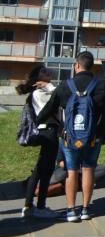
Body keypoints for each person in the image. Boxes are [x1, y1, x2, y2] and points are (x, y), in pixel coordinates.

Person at [53, 51, 105, 222]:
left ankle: (71, 210)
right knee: (89, 170)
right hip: (93, 137)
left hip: (70, 138)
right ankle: (86, 209)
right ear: (91, 66)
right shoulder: (100, 85)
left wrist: (58, 130)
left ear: (77, 65)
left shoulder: (65, 85)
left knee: (71, 172)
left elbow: (51, 108)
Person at [18, 64, 60, 219]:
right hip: (48, 131)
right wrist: (50, 86)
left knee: (40, 170)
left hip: (49, 131)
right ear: (37, 77)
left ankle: (29, 206)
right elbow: (57, 101)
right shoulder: (38, 93)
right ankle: (38, 207)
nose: (47, 71)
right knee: (46, 170)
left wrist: (49, 87)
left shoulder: (44, 91)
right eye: (43, 71)